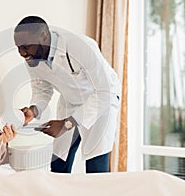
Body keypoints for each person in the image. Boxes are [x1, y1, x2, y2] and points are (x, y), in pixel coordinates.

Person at [14, 16, 121, 173]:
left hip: (100, 102)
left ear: (43, 36)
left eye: (26, 46)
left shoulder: (81, 47)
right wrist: (34, 110)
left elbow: (105, 91)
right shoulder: (32, 58)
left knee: (96, 168)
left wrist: (66, 124)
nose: (22, 53)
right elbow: (41, 89)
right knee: (59, 163)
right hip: (70, 102)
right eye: (18, 47)